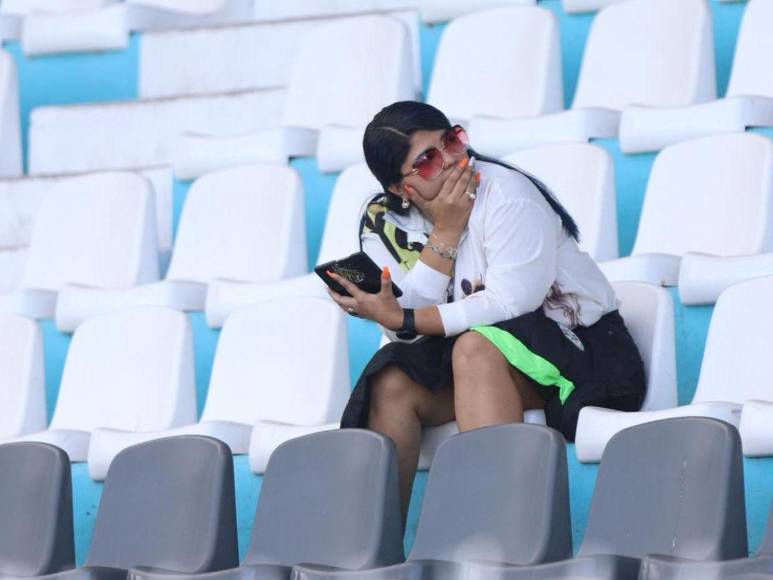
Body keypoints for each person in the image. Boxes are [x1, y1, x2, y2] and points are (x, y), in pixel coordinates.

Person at [326, 101, 645, 521]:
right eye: (427, 160)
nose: (451, 159)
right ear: (402, 189)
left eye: (451, 140)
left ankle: (499, 536)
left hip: (584, 353)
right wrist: (445, 232)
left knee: (475, 347)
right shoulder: (386, 223)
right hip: (484, 358)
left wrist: (404, 317)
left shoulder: (508, 193)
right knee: (391, 381)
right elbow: (410, 333)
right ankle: (374, 546)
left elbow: (511, 302)